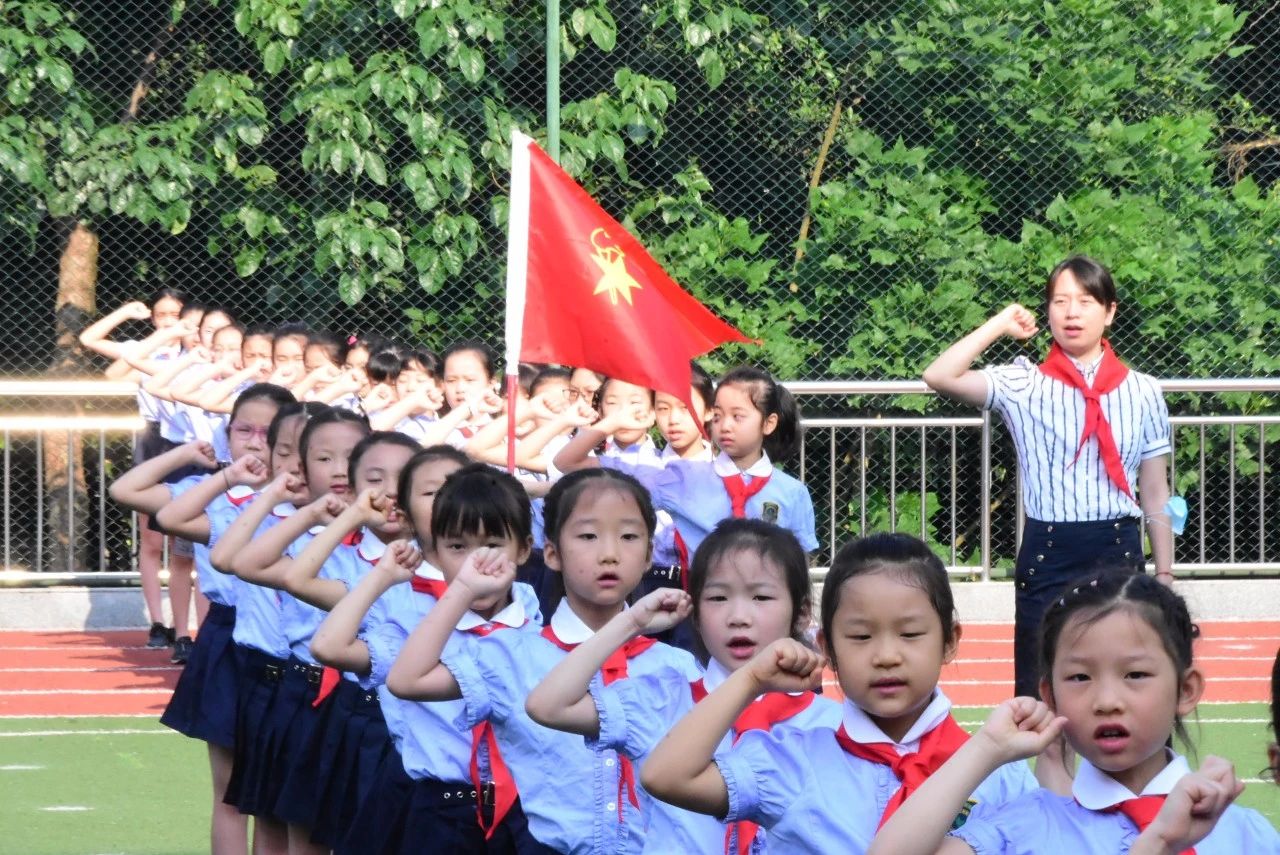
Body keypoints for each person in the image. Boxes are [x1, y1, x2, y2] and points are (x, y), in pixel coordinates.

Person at [640, 532, 1036, 853]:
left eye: (910, 634)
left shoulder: (1000, 773)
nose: (886, 656)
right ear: (827, 649)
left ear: (949, 641)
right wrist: (750, 680)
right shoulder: (794, 760)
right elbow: (665, 777)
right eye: (860, 636)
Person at [385, 468, 699, 854]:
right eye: (588, 536)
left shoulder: (676, 668)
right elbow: (407, 681)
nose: (610, 553)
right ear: (551, 553)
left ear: (650, 554)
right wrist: (463, 588)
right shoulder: (513, 655)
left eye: (629, 536)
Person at [867, 571, 1280, 854]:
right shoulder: (1020, 829)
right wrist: (986, 747)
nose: (1106, 700)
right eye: (1080, 677)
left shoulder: (1247, 835)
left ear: (1186, 690)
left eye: (1135, 674)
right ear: (1050, 696)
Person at [922, 255, 1174, 697]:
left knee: (1125, 689)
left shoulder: (1144, 390)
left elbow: (1156, 491)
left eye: (1086, 301)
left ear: (1110, 312)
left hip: (1119, 548)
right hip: (1049, 552)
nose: (1072, 312)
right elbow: (939, 375)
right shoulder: (1024, 384)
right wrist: (999, 323)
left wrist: (1166, 576)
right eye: (1060, 301)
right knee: (1039, 694)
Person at [526, 518, 840, 853]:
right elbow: (548, 707)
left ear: (802, 613)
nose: (738, 617)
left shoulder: (830, 726)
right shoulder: (662, 698)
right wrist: (630, 623)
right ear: (695, 613)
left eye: (761, 597)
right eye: (718, 598)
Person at [313, 458, 547, 854]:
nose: (476, 561)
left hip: (525, 814)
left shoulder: (533, 623)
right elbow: (328, 647)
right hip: (442, 809)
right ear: (434, 551)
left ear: (524, 549)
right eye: (457, 547)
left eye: (493, 544)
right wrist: (381, 576)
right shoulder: (418, 627)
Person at [112, 382, 294, 855]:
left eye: (269, 433)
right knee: (229, 792)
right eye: (243, 430)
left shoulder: (303, 502)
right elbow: (125, 489)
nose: (255, 442)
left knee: (277, 802)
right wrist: (189, 456)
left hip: (290, 644)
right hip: (228, 636)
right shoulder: (208, 492)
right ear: (226, 434)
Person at [553, 365, 819, 560]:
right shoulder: (681, 477)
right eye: (718, 416)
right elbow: (568, 462)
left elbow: (800, 561)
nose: (725, 426)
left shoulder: (792, 492)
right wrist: (611, 422)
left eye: (738, 417)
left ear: (769, 423)